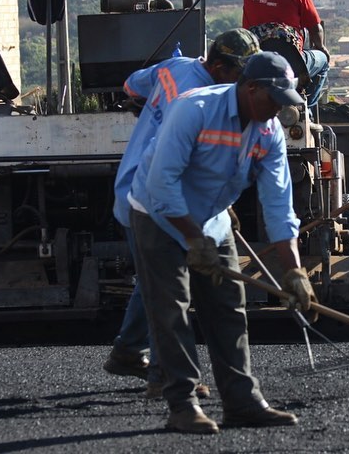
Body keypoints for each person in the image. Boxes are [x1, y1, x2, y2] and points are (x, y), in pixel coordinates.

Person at [128, 51, 315, 434]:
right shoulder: (193, 110)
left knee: (229, 308)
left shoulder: (268, 132)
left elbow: (279, 205)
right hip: (157, 216)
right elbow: (161, 184)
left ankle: (241, 401)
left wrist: (294, 271)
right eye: (274, 99)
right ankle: (182, 404)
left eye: (285, 102)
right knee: (171, 309)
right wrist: (193, 241)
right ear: (249, 88)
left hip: (211, 220)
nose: (279, 109)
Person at [102, 28, 261, 400]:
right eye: (239, 74)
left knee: (155, 278)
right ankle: (162, 375)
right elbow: (186, 162)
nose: (244, 84)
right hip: (155, 194)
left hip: (137, 184)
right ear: (218, 65)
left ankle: (128, 351)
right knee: (169, 285)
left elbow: (131, 85)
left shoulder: (175, 67)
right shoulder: (197, 100)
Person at [242, 0, 330, 107]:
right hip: (291, 61)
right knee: (324, 62)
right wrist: (321, 47)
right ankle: (306, 108)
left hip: (256, 60)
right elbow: (316, 29)